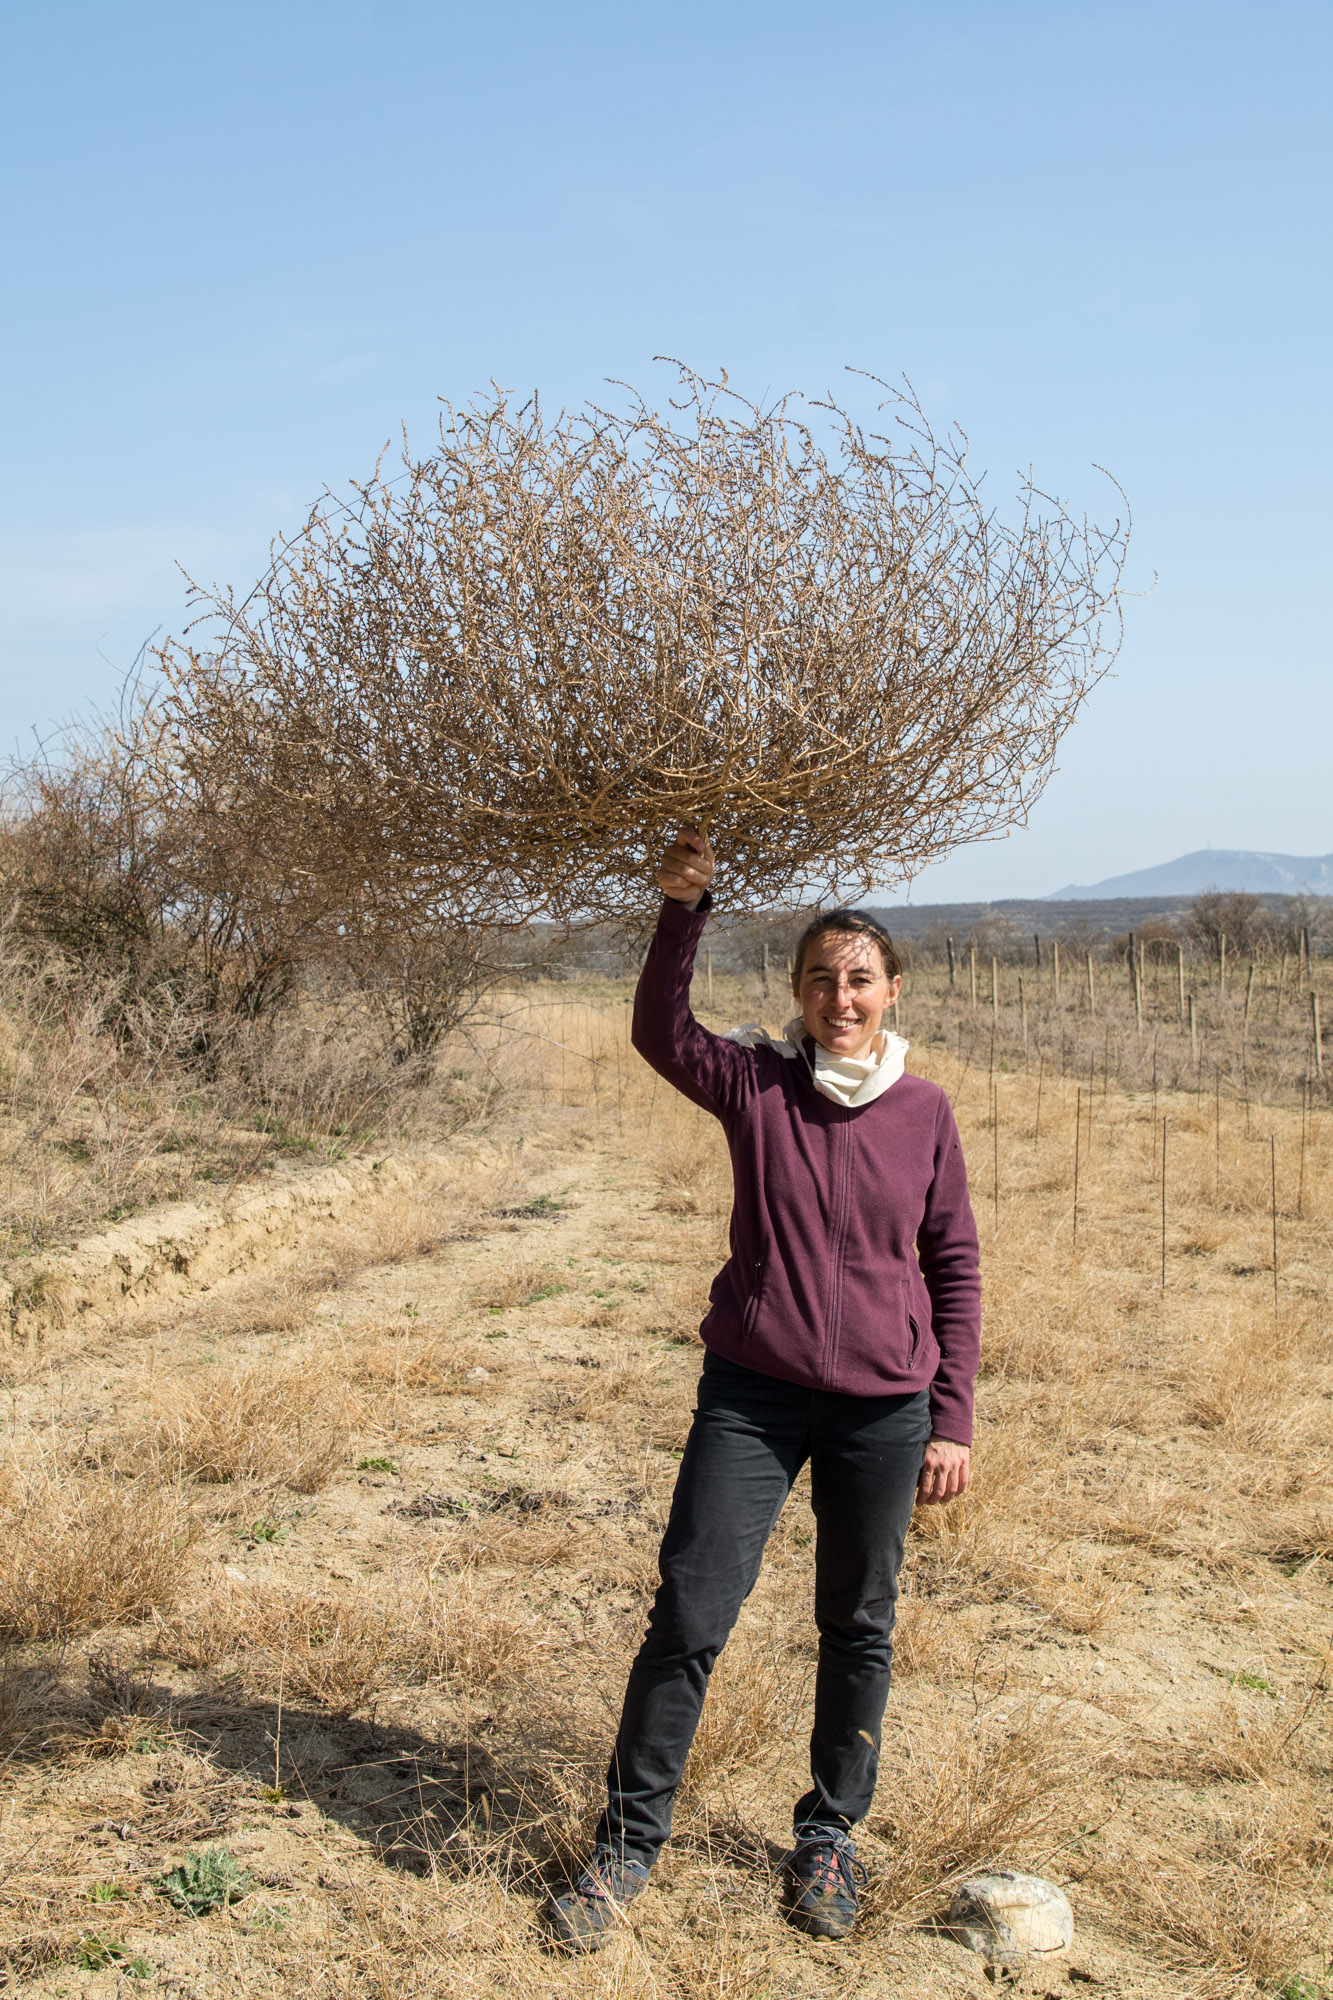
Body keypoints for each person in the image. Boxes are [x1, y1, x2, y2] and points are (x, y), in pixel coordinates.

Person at [544, 826, 980, 1951]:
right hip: (752, 1394)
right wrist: (681, 910)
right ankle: (626, 1844)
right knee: (689, 1612)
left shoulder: (924, 1112)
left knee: (858, 1624)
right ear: (797, 991)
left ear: (892, 990)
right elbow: (659, 1032)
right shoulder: (757, 1085)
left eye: (860, 978)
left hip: (885, 1406)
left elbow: (953, 1265)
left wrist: (951, 1418)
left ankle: (828, 1836)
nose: (841, 997)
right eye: (821, 978)